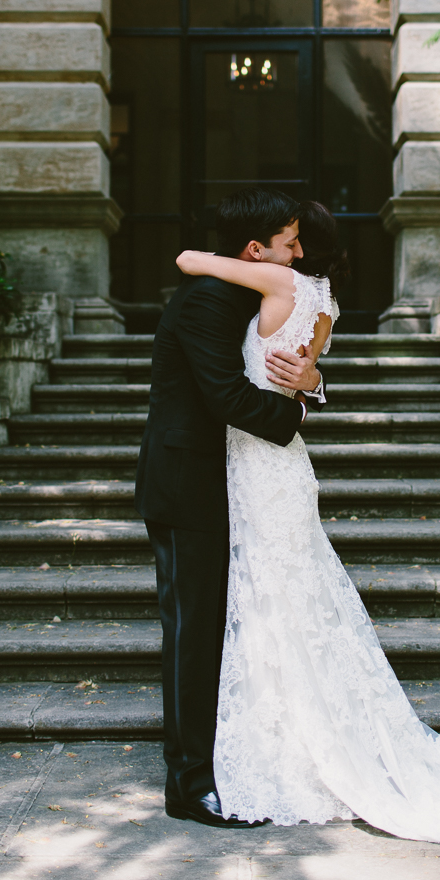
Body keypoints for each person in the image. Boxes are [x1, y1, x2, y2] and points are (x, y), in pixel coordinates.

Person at [174, 198, 440, 855]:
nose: (288, 250)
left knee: (274, 600)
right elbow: (302, 378)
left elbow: (189, 259)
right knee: (286, 599)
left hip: (262, 464)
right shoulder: (325, 299)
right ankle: (288, 737)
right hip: (280, 466)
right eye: (282, 240)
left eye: (291, 240)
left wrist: (242, 264)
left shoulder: (285, 281)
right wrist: (311, 381)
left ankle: (287, 748)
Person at [135, 188, 326, 829]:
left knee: (221, 629)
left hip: (230, 485)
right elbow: (226, 396)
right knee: (192, 636)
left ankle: (224, 761)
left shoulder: (242, 292)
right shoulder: (210, 300)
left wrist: (313, 382)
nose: (298, 254)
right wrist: (296, 411)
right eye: (289, 242)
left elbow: (282, 361)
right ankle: (189, 787)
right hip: (189, 486)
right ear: (255, 249)